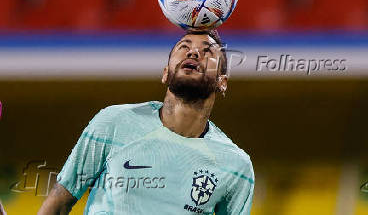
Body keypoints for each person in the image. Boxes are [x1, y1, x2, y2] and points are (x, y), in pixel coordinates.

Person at [38, 29, 255, 214]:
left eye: (207, 51)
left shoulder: (236, 166)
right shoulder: (113, 122)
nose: (193, 52)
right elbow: (58, 204)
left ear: (222, 82)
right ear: (165, 73)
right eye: (184, 47)